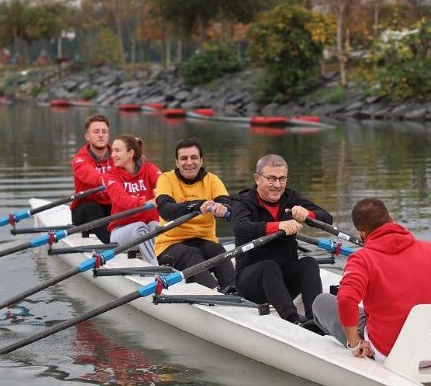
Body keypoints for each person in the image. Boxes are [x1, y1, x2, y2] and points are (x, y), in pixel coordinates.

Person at [312, 197, 431, 360]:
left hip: (388, 353)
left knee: (321, 301)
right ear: (391, 220)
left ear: (361, 233)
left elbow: (346, 300)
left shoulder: (362, 260)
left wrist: (355, 344)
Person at [231, 154, 333, 325]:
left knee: (309, 263)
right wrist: (277, 226)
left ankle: (315, 320)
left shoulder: (291, 198)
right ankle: (293, 320)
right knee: (268, 266)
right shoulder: (242, 202)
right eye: (271, 179)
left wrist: (308, 214)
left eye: (282, 179)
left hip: (284, 281)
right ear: (257, 178)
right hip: (252, 283)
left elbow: (327, 219)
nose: (277, 185)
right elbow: (241, 228)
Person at [154, 139, 234, 289]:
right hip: (170, 244)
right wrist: (197, 206)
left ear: (201, 161)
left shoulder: (212, 180)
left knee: (219, 251)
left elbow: (230, 207)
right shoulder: (166, 179)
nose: (189, 162)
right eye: (184, 158)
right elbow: (166, 210)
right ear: (177, 162)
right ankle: (213, 291)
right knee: (191, 253)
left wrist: (224, 209)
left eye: (194, 158)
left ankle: (234, 290)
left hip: (204, 241)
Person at [103, 134, 161, 264]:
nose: (113, 155)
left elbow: (163, 184)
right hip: (120, 232)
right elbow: (121, 199)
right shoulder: (110, 175)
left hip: (147, 227)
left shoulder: (149, 168)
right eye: (112, 151)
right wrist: (145, 202)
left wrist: (161, 193)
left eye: (117, 150)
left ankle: (169, 265)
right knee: (140, 228)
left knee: (156, 226)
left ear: (131, 153)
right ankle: (154, 268)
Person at [70, 114, 113, 243]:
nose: (101, 135)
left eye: (104, 131)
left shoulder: (119, 156)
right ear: (87, 136)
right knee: (92, 207)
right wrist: (110, 180)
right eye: (96, 131)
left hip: (110, 208)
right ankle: (112, 245)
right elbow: (92, 177)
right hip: (84, 211)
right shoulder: (79, 160)